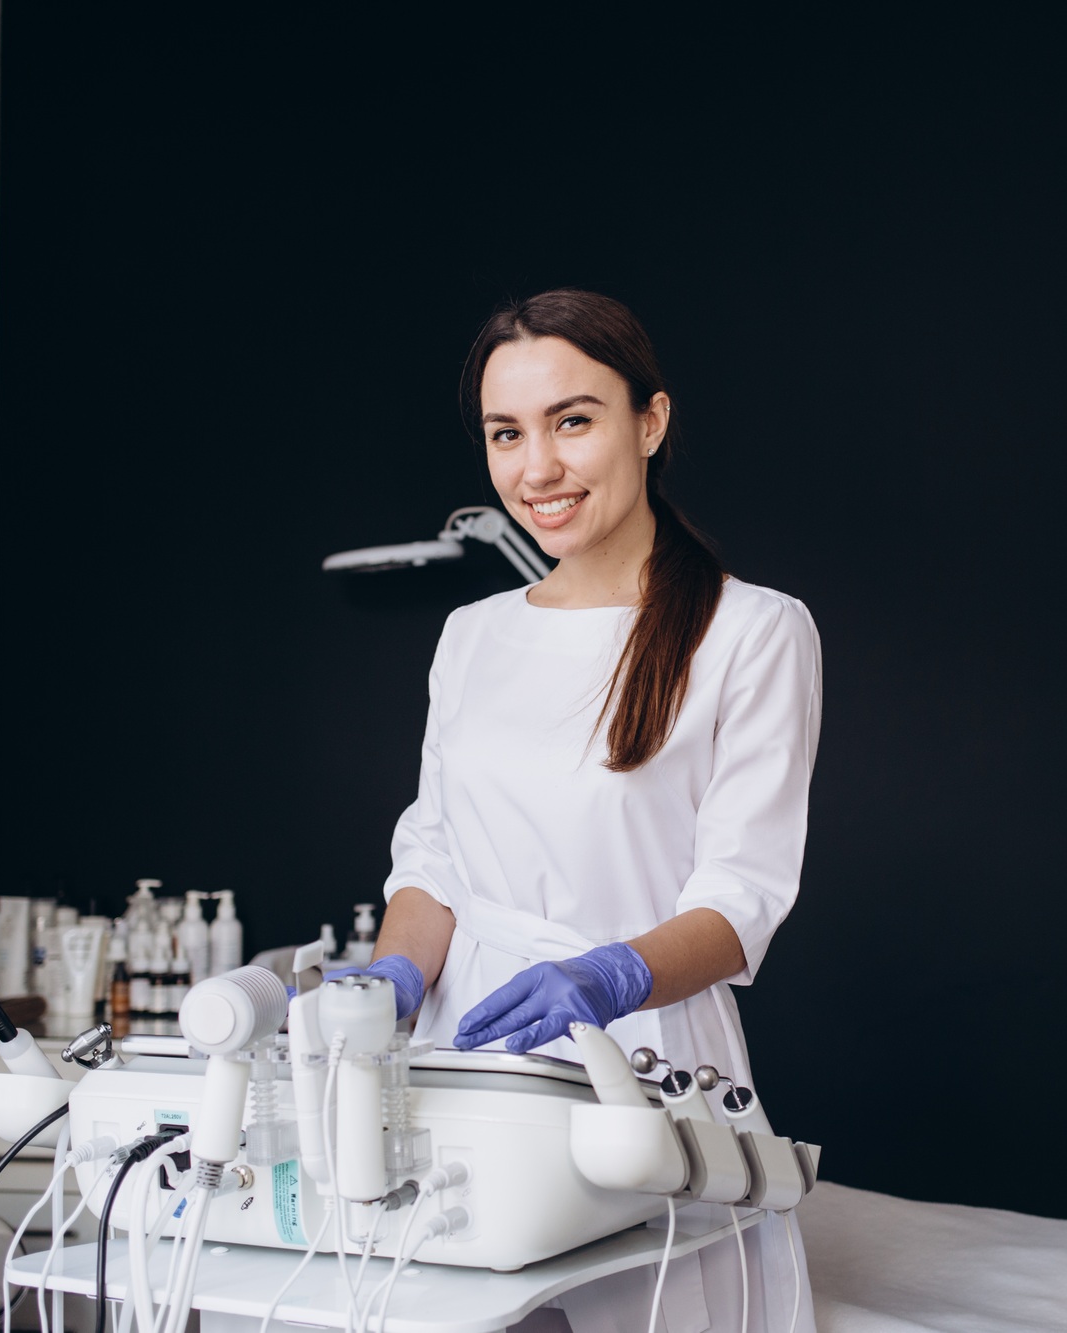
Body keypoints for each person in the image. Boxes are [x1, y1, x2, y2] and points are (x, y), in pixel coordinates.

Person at [342, 289, 820, 1332]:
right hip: (468, 1058)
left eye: (572, 420)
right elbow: (436, 852)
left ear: (647, 422)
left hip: (638, 1062)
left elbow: (742, 897)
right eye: (505, 434)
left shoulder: (753, 631)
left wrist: (610, 975)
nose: (537, 468)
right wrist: (393, 974)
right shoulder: (470, 634)